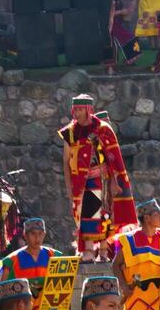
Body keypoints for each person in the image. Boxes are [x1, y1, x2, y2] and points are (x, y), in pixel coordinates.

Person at [58, 93, 137, 260]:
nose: (77, 113)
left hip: (103, 179)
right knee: (87, 215)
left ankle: (101, 251)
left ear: (88, 110)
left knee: (104, 215)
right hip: (81, 182)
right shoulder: (70, 133)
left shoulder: (102, 129)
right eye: (75, 109)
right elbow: (66, 162)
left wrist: (115, 181)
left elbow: (113, 158)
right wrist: (68, 187)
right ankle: (88, 251)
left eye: (80, 109)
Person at [0, 217, 63, 310]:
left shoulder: (55, 257)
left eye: (40, 234)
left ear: (44, 235)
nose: (37, 238)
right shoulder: (12, 260)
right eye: (33, 234)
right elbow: (1, 290)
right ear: (25, 235)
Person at [113, 198, 160, 310]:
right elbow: (115, 265)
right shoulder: (129, 240)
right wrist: (124, 286)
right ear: (147, 218)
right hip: (138, 303)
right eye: (158, 214)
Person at [102, 0, 144, 71]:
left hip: (118, 23)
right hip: (112, 24)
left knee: (129, 38)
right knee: (120, 40)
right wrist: (121, 12)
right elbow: (108, 12)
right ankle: (114, 63)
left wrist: (127, 11)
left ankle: (128, 59)